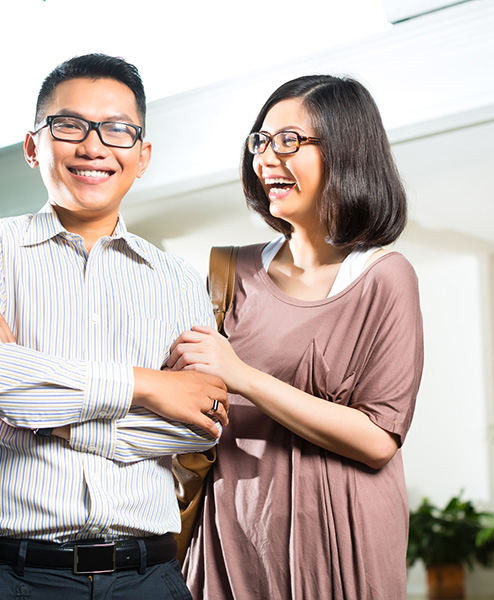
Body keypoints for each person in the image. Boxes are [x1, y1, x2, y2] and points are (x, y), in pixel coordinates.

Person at [0, 53, 228, 600]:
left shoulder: (178, 280)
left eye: (117, 130)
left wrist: (36, 409)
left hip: (149, 577)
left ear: (142, 157)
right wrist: (148, 386)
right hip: (10, 577)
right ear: (33, 146)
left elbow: (201, 424)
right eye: (69, 125)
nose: (93, 146)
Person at [168, 75, 425, 599]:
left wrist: (240, 375)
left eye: (289, 141)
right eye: (260, 141)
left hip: (339, 540)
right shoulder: (229, 272)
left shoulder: (384, 277)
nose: (266, 157)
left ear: (348, 151)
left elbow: (378, 440)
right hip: (230, 536)